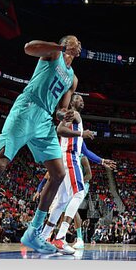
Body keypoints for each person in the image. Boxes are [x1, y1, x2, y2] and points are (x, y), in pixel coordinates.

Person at [0, 36, 81, 258]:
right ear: (66, 43)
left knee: (58, 174)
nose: (79, 45)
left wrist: (63, 115)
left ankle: (33, 232)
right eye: (74, 41)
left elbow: (60, 109)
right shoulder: (54, 54)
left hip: (45, 120)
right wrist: (60, 47)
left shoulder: (72, 79)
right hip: (27, 109)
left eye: (79, 45)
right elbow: (29, 48)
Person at [39, 94, 116, 254]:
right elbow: (59, 129)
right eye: (78, 98)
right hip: (69, 157)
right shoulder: (73, 114)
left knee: (62, 201)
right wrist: (82, 134)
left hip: (66, 157)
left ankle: (44, 237)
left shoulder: (76, 121)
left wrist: (102, 161)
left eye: (82, 99)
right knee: (79, 194)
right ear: (71, 102)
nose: (81, 101)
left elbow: (84, 150)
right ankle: (59, 238)